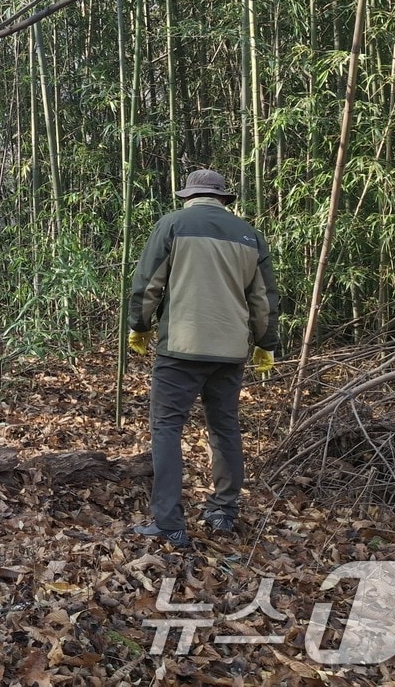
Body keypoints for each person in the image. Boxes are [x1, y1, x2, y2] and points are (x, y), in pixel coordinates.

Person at [126, 168, 279, 548]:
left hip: (181, 347)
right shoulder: (249, 235)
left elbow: (148, 284)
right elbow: (262, 299)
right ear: (224, 198)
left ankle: (168, 522)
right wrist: (266, 342)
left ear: (188, 197)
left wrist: (139, 326)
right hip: (229, 352)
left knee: (167, 428)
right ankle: (223, 512)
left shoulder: (173, 224)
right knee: (224, 428)